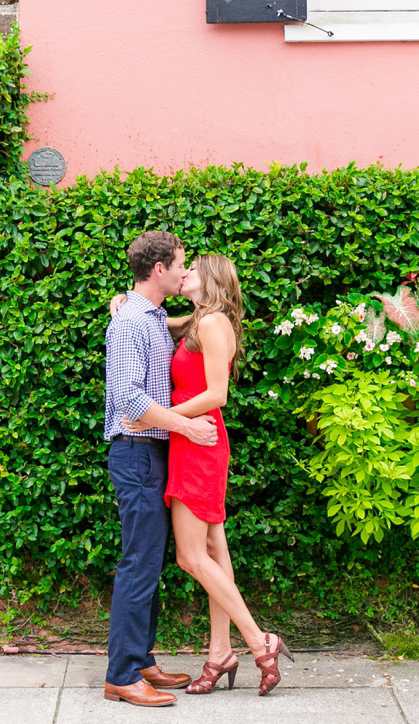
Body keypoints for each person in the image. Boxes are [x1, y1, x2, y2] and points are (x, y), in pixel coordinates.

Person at [115, 253, 294, 697]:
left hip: (198, 440)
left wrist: (161, 417)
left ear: (209, 278)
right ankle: (219, 652)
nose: (184, 273)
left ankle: (258, 640)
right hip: (188, 439)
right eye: (182, 266)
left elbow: (218, 393)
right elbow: (159, 318)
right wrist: (123, 300)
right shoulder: (198, 321)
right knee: (213, 549)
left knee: (190, 557)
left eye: (192, 268)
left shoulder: (212, 325)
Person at [102, 231, 219, 708]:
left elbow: (182, 322)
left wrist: (211, 309)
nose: (183, 271)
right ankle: (122, 675)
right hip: (135, 451)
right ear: (158, 270)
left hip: (149, 454)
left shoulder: (147, 315)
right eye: (180, 265)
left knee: (148, 561)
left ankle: (142, 660)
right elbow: (130, 399)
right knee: (138, 562)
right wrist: (186, 428)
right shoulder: (131, 322)